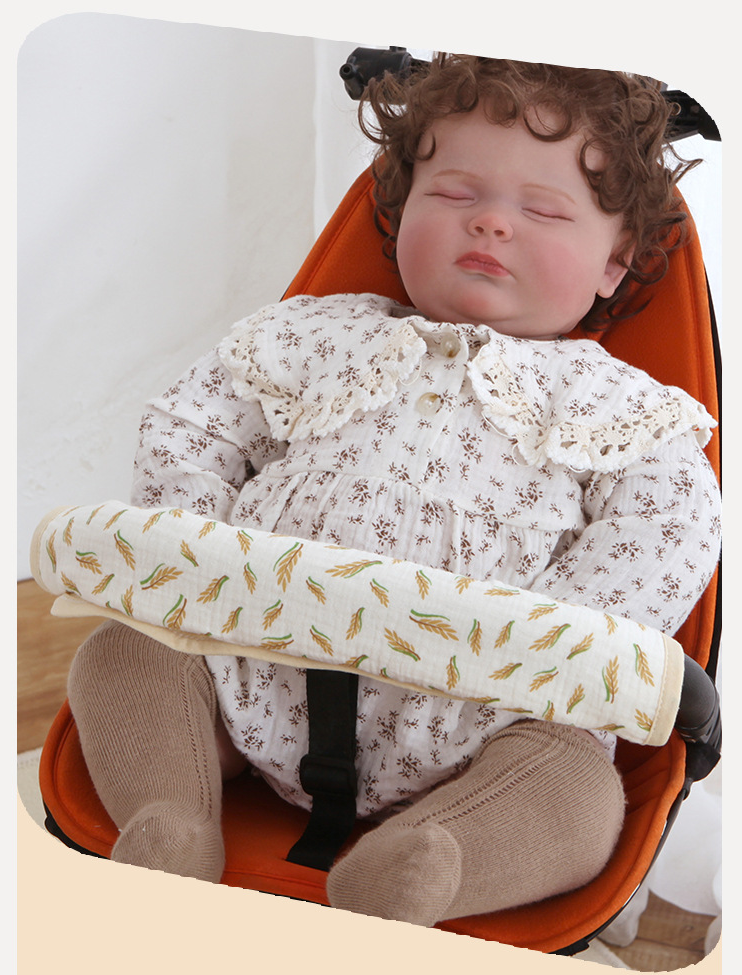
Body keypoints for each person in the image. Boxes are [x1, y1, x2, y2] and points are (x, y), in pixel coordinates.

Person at [67, 55, 721, 926]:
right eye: (455, 193)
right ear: (402, 205)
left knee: (580, 792)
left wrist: (553, 638)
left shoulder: (617, 403)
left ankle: (431, 860)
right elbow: (195, 424)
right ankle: (171, 819)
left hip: (486, 716)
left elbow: (673, 525)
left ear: (616, 262)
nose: (491, 221)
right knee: (124, 651)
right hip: (248, 665)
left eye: (543, 210)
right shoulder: (314, 334)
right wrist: (199, 557)